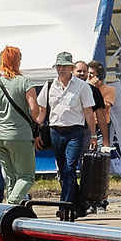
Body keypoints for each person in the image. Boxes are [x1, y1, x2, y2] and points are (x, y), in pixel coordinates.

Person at [41, 51, 98, 219]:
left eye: (64, 66)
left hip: (75, 132)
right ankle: (79, 207)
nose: (60, 69)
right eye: (58, 66)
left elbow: (89, 112)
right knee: (64, 171)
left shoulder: (82, 86)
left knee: (69, 168)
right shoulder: (49, 85)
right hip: (55, 132)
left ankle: (63, 206)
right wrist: (35, 130)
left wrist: (93, 135)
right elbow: (41, 110)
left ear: (71, 68)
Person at [0, 46, 39, 205]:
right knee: (26, 177)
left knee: (11, 177)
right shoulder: (25, 82)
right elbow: (34, 111)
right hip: (20, 135)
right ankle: (10, 205)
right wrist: (39, 118)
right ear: (17, 61)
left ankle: (10, 212)